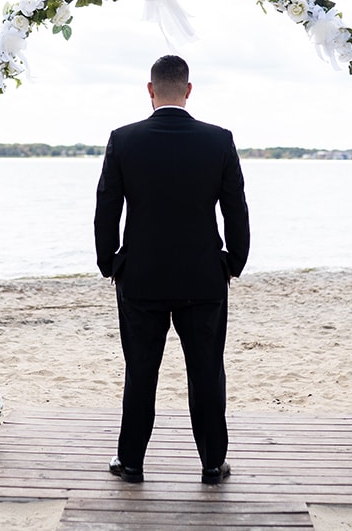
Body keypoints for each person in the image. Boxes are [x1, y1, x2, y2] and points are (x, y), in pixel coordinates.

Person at [94, 55, 250, 485]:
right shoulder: (219, 140)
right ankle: (213, 464)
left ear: (150, 90)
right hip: (203, 277)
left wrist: (110, 263)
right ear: (188, 89)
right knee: (206, 372)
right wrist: (233, 262)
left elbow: (106, 206)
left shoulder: (123, 140)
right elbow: (236, 209)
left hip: (141, 277)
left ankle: (131, 463)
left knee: (140, 372)